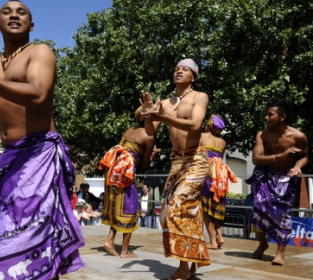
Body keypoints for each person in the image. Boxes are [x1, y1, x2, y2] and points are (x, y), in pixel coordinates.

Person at [0, 1, 84, 278]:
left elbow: (37, 95)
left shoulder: (40, 52)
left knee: (33, 234)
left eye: (22, 12)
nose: (14, 15)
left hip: (39, 153)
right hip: (9, 158)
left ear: (31, 25)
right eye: (6, 12)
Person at [141, 58, 210, 279]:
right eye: (176, 69)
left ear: (194, 76)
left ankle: (183, 268)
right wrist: (148, 114)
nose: (179, 71)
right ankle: (190, 261)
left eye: (185, 69)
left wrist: (163, 115)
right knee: (171, 214)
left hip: (196, 160)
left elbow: (196, 125)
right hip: (177, 162)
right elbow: (151, 131)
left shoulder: (199, 96)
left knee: (177, 207)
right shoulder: (167, 102)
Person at [247, 101, 308, 265]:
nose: (266, 117)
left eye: (270, 114)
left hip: (286, 179)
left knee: (282, 215)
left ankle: (280, 254)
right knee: (257, 210)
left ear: (282, 117)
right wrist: (282, 155)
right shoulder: (263, 135)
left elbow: (304, 156)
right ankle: (262, 244)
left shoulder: (298, 136)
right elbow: (256, 159)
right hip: (265, 175)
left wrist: (296, 167)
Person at [99, 106, 160, 258]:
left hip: (113, 170)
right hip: (125, 172)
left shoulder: (129, 130)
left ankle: (110, 241)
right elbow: (144, 164)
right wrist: (153, 154)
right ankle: (125, 251)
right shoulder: (148, 136)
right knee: (131, 208)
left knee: (116, 206)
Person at [199, 115, 237, 249]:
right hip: (220, 175)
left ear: (209, 125)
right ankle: (220, 237)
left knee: (206, 209)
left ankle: (213, 242)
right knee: (215, 207)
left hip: (207, 173)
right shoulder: (223, 142)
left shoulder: (201, 137)